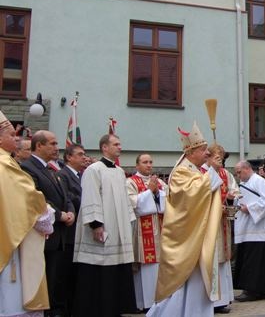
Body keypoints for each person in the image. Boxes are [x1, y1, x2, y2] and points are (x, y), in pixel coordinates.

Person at [148, 122, 222, 317]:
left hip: (196, 234)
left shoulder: (194, 171)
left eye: (207, 149)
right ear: (191, 152)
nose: (206, 154)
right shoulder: (181, 171)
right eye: (203, 150)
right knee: (184, 282)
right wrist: (212, 172)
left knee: (197, 282)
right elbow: (189, 199)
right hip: (184, 238)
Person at [73, 134, 136, 317]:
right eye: (116, 144)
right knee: (99, 273)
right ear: (104, 148)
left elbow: (124, 200)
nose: (120, 147)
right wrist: (96, 224)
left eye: (120, 143)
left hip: (118, 230)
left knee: (116, 272)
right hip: (102, 228)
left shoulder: (118, 171)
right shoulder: (94, 169)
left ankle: (114, 309)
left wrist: (128, 223)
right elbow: (91, 197)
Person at [0, 111, 53, 317]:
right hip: (9, 239)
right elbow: (27, 198)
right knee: (10, 297)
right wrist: (46, 212)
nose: (17, 139)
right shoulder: (4, 164)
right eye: (12, 135)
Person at [20, 131, 75, 317]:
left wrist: (71, 212)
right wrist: (60, 215)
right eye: (52, 143)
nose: (56, 147)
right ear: (39, 146)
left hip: (60, 235)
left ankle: (53, 310)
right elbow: (37, 198)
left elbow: (65, 195)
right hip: (43, 234)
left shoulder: (52, 169)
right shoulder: (27, 168)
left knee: (55, 279)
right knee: (43, 279)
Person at [233, 160, 265, 301]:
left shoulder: (259, 181)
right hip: (249, 228)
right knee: (256, 261)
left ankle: (252, 291)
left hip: (259, 229)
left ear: (247, 168)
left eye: (239, 172)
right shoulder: (244, 184)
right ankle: (263, 290)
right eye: (236, 173)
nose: (238, 175)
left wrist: (249, 209)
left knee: (255, 262)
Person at [126, 153, 167, 311]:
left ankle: (158, 301)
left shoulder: (159, 182)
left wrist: (157, 193)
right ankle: (142, 303)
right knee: (143, 267)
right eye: (145, 162)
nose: (149, 165)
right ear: (137, 165)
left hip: (160, 227)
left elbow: (168, 200)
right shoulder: (130, 182)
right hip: (142, 229)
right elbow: (132, 203)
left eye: (150, 162)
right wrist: (149, 191)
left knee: (159, 266)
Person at [204, 144, 239, 314]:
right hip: (207, 224)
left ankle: (223, 298)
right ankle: (211, 300)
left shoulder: (226, 174)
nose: (220, 161)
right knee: (212, 259)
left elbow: (235, 191)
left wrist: (231, 199)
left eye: (221, 158)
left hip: (223, 222)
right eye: (217, 157)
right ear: (207, 157)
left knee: (223, 260)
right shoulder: (202, 173)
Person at [57, 143, 88, 316]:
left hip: (80, 233)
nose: (84, 157)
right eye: (80, 154)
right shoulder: (63, 175)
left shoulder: (82, 175)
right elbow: (71, 198)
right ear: (69, 157)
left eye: (84, 154)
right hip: (69, 233)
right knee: (65, 274)